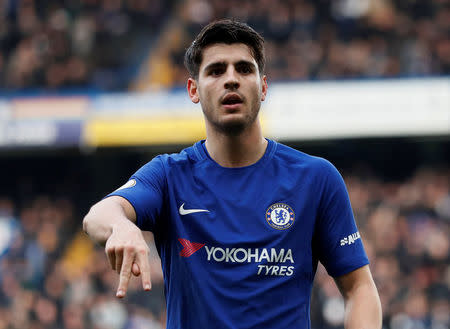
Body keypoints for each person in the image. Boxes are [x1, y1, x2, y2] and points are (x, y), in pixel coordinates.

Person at [83, 19, 382, 329]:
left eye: (244, 69)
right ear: (193, 90)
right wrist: (121, 226)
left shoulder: (316, 178)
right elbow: (98, 215)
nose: (231, 80)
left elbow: (359, 287)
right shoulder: (169, 175)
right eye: (216, 71)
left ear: (263, 86)